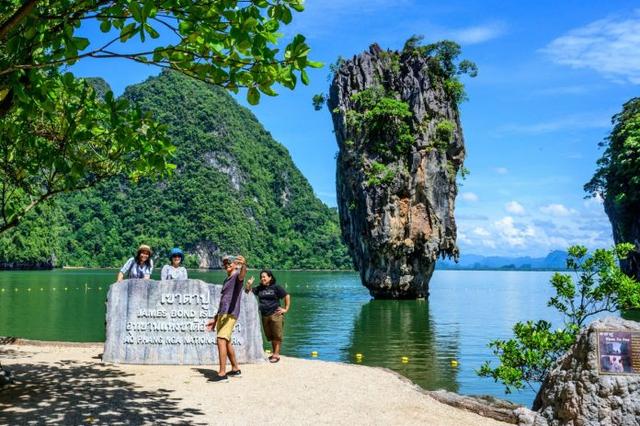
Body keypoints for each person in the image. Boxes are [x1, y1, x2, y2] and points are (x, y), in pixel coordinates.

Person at [205, 255, 248, 381]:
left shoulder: (236, 277)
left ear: (235, 264)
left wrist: (244, 265)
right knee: (227, 341)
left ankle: (222, 373)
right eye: (225, 263)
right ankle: (235, 369)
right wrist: (215, 319)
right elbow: (223, 301)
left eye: (229, 262)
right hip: (222, 314)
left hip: (231, 313)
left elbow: (242, 275)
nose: (227, 264)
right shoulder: (227, 280)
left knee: (221, 340)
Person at [245, 270, 290, 363]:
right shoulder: (259, 288)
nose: (262, 278)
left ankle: (276, 355)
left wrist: (285, 309)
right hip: (264, 315)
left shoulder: (276, 287)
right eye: (261, 277)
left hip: (276, 314)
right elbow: (247, 293)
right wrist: (248, 284)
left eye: (264, 276)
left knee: (277, 335)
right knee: (270, 336)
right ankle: (274, 353)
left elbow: (286, 295)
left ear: (270, 277)